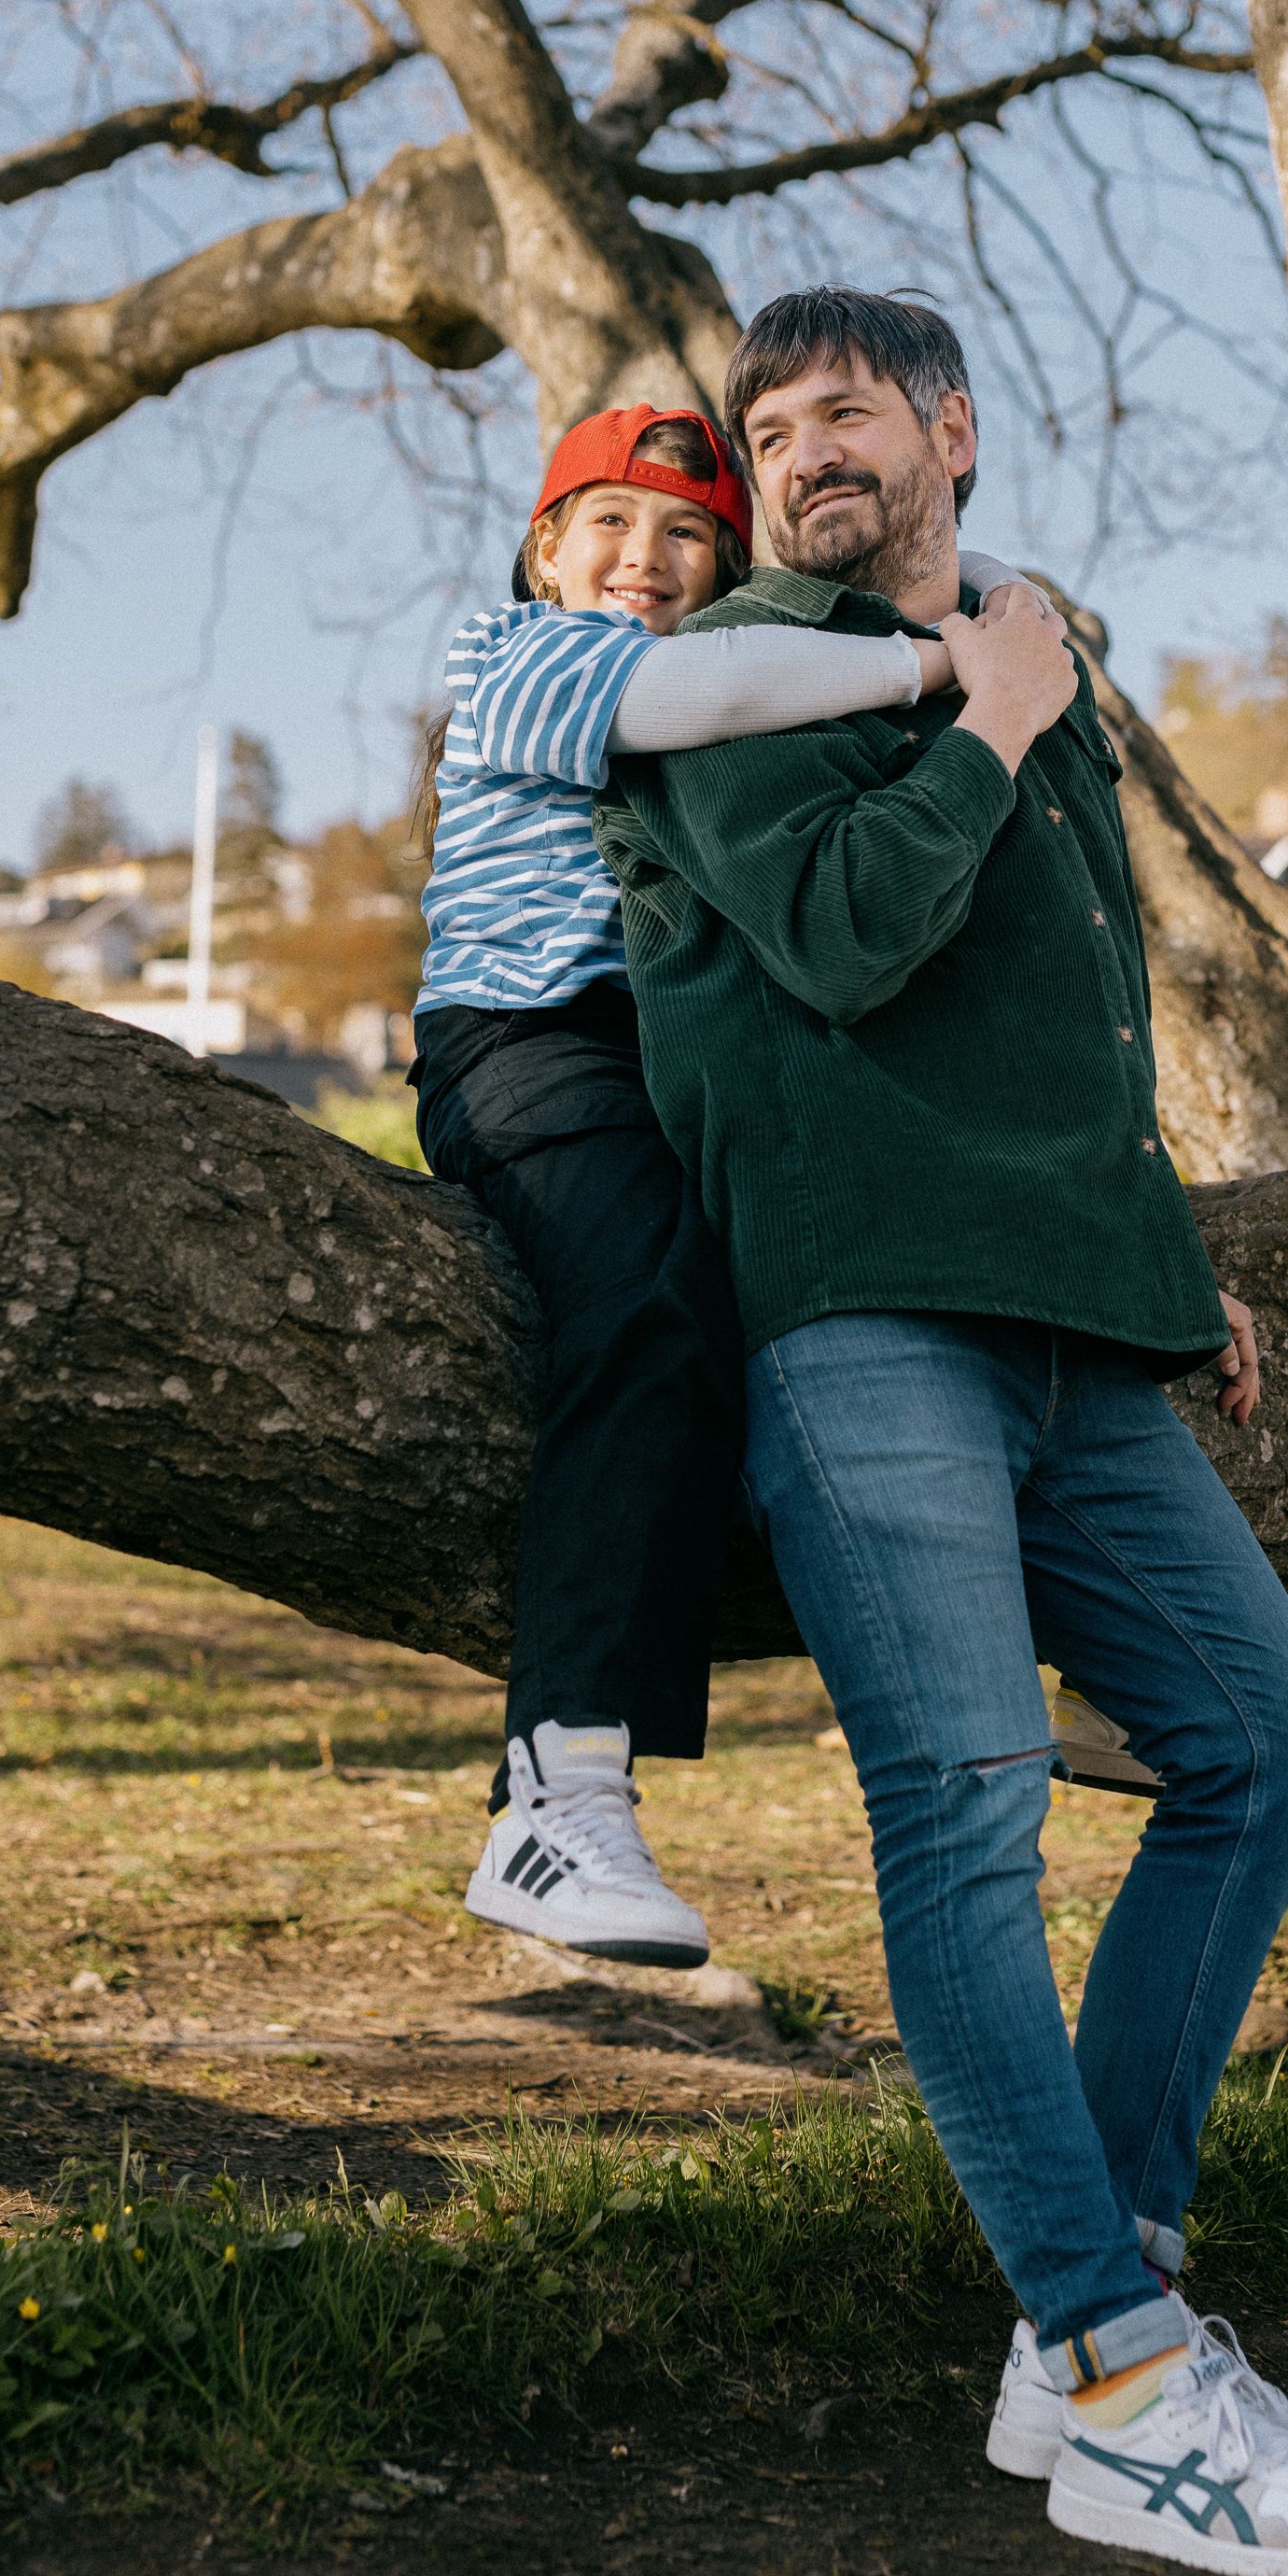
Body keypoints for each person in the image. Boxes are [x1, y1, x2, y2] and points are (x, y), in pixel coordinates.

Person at [595, 293, 1288, 2576]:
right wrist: (997, 711)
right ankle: (1126, 2381)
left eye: (846, 409)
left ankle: (1104, 2299)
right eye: (769, 428)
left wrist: (1161, 1267)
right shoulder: (730, 673)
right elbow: (857, 940)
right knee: (966, 1810)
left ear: (953, 426)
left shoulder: (1026, 662)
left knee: (1269, 1742)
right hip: (863, 1324)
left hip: (1076, 1327)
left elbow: (1070, 1026)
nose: (799, 453)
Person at [409, 399, 1043, 1972]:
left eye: (687, 533)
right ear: (545, 551)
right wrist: (944, 663)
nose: (647, 557)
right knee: (646, 1307)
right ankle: (552, 1802)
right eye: (609, 524)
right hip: (533, 1041)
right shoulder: (521, 659)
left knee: (907, 1307)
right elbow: (701, 687)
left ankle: (1065, 1665)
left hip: (684, 1074)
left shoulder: (726, 690)